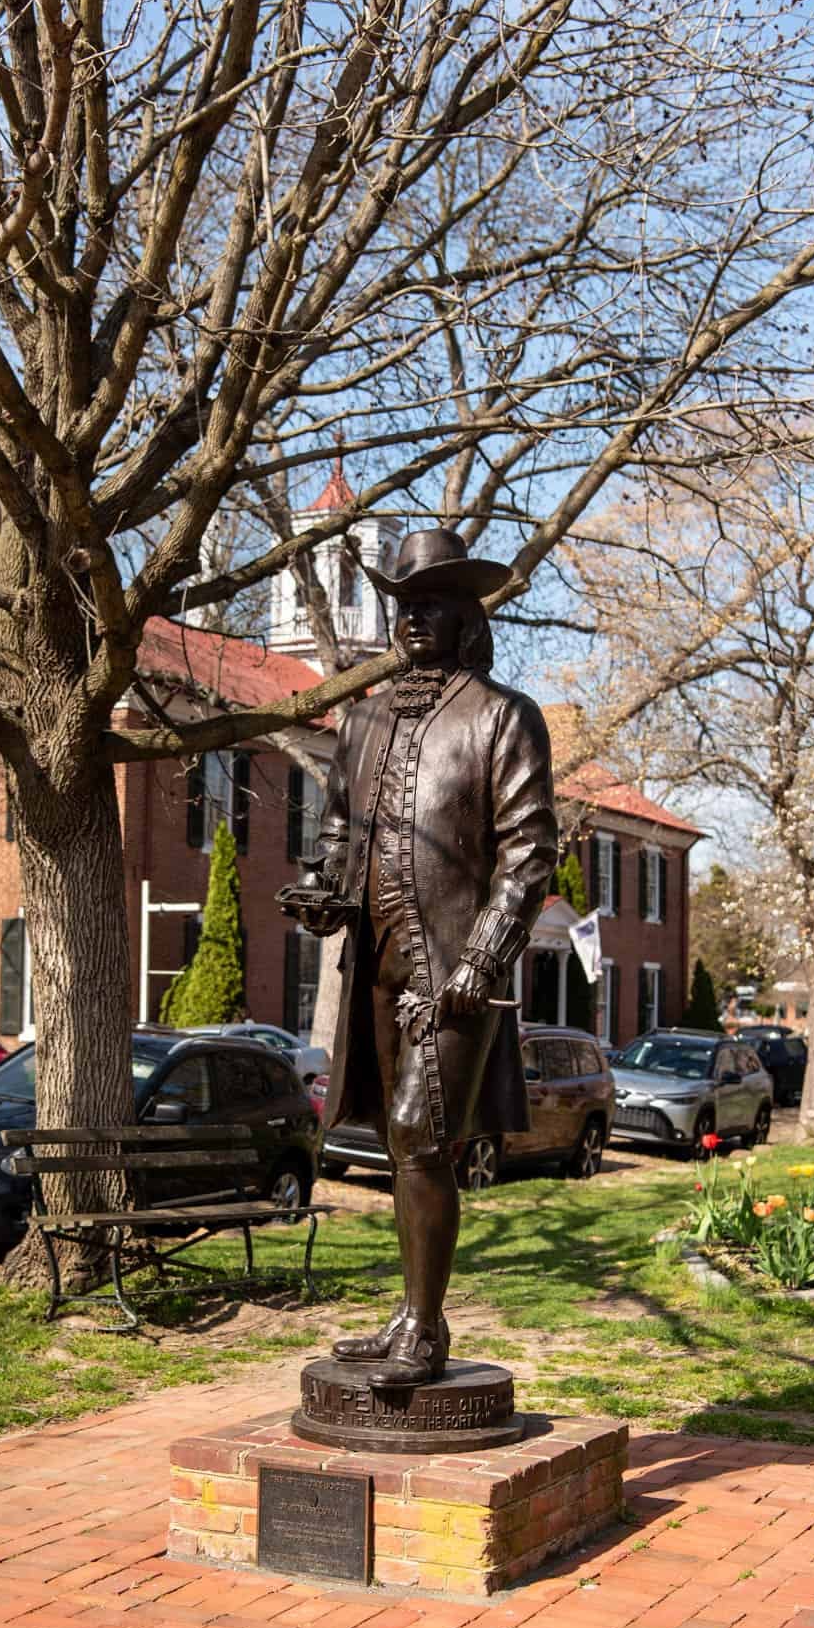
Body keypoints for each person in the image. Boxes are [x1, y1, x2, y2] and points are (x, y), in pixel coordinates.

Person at [281, 528, 557, 1385]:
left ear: (468, 616)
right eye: (404, 605)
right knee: (397, 1142)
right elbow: (337, 831)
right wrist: (325, 890)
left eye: (432, 605)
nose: (413, 621)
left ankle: (427, 1330)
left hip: (453, 979)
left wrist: (483, 960)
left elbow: (530, 852)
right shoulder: (361, 719)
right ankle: (409, 1312)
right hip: (376, 966)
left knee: (420, 1136)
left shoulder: (500, 715)